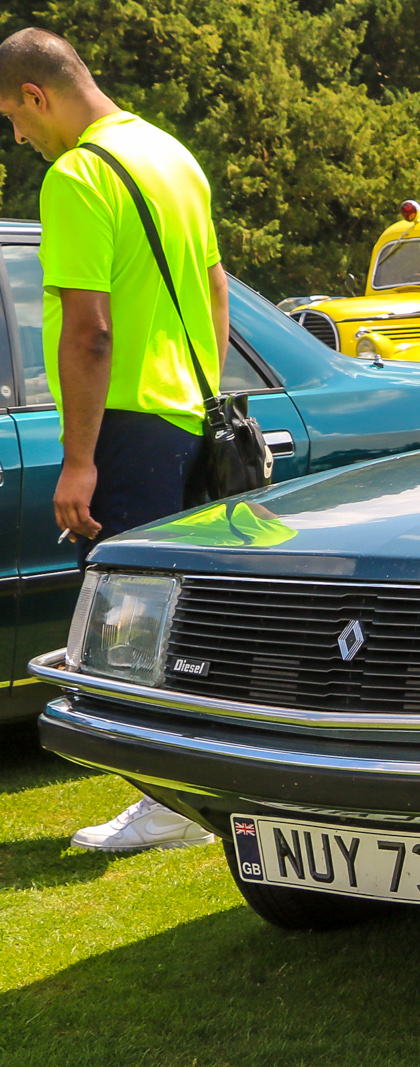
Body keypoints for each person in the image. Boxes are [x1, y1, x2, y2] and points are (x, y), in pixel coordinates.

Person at [0, 27, 226, 851]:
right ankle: (188, 794)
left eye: (13, 118)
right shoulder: (172, 156)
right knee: (180, 620)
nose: (18, 138)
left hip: (125, 426)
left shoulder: (78, 175)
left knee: (132, 627)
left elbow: (89, 331)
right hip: (186, 416)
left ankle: (170, 804)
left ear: (37, 95)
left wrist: (79, 458)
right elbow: (215, 289)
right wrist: (205, 397)